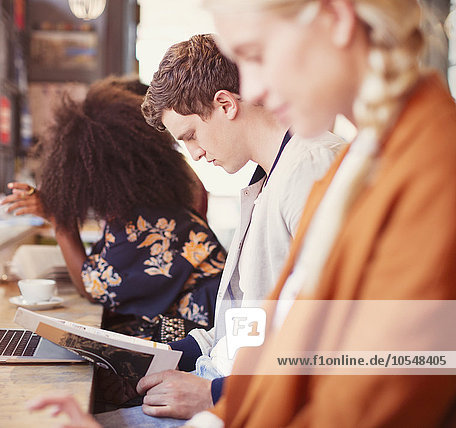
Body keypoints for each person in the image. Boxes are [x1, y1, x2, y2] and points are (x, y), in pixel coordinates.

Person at [26, 34, 344, 427]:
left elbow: (344, 343)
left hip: (246, 398)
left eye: (191, 135)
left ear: (226, 104)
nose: (193, 154)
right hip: (228, 379)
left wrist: (214, 394)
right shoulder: (266, 180)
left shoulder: (312, 170)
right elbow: (248, 322)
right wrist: (167, 355)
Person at [180, 1, 456, 427]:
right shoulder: (355, 165)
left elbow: (370, 397)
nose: (249, 91)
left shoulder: (437, 168)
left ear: (338, 19)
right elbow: (284, 340)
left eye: (256, 55)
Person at [1, 76, 226, 339]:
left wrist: (59, 219)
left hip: (198, 343)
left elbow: (92, 286)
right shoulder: (146, 208)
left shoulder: (145, 224)